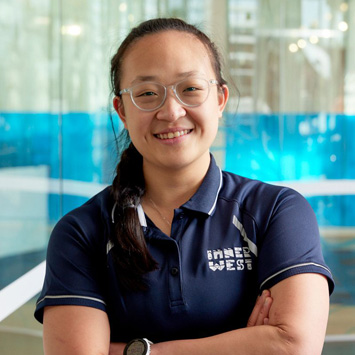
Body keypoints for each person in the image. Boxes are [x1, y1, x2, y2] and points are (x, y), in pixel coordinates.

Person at [35, 18, 334, 355]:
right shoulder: (82, 232)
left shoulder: (275, 211)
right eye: (147, 94)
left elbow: (293, 345)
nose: (172, 111)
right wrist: (245, 345)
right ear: (122, 110)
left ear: (220, 99)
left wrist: (145, 351)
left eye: (190, 88)